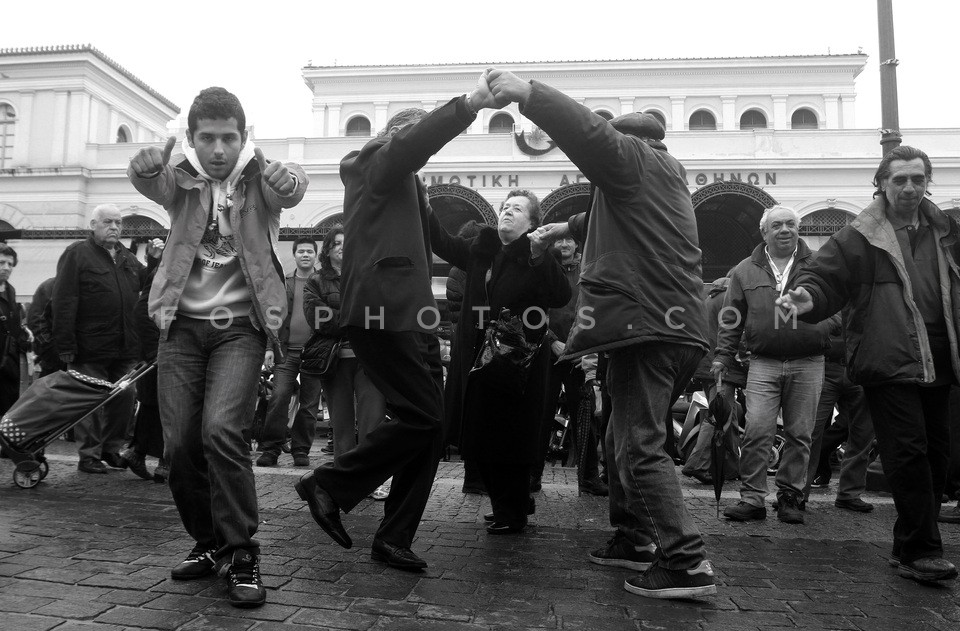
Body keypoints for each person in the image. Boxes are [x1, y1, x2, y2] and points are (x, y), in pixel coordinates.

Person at [487, 69, 716, 599]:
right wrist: (564, 228)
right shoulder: (663, 177)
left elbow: (589, 134)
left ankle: (685, 560)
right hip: (663, 325)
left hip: (646, 327)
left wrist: (528, 94)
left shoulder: (633, 158)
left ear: (628, 143)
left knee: (639, 444)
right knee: (620, 436)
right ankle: (635, 538)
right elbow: (606, 219)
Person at [293, 72, 502, 572]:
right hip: (380, 312)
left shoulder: (410, 188)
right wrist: (470, 103)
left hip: (414, 319)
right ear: (398, 139)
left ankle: (394, 536)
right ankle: (328, 483)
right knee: (424, 417)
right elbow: (411, 146)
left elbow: (451, 248)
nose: (422, 157)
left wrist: (500, 245)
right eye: (416, 144)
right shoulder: (373, 163)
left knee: (431, 428)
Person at [128, 86, 308, 608]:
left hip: (239, 331)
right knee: (180, 442)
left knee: (221, 431)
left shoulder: (259, 178)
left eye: (229, 137)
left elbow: (291, 190)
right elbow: (149, 180)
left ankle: (242, 550)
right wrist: (143, 166)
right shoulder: (180, 181)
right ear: (191, 139)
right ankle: (209, 543)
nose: (219, 149)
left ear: (243, 137)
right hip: (181, 330)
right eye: (207, 138)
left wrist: (288, 178)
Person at [777, 145, 959, 584]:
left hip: (941, 355)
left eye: (917, 179)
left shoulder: (947, 228)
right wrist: (807, 297)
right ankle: (921, 549)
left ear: (928, 182)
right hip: (888, 354)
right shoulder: (859, 234)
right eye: (900, 180)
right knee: (908, 453)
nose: (910, 188)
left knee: (939, 455)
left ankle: (907, 543)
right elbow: (821, 277)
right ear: (881, 183)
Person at [430, 189, 570, 534]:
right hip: (481, 360)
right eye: (505, 207)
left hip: (518, 362)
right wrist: (422, 204)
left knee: (513, 436)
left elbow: (560, 295)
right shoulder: (483, 251)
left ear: (533, 224)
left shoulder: (536, 255)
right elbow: (442, 242)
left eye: (517, 209)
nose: (507, 212)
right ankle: (510, 503)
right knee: (482, 434)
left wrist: (539, 255)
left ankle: (513, 510)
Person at [712, 205, 832, 525]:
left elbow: (837, 308)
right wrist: (723, 355)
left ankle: (790, 496)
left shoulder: (818, 265)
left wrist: (822, 329)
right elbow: (730, 317)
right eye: (776, 225)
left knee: (800, 434)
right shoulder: (744, 269)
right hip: (762, 362)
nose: (784, 230)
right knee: (756, 430)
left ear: (798, 229)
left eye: (790, 224)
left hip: (809, 361)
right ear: (764, 232)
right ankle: (752, 498)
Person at [52, 205, 159, 474]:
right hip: (88, 346)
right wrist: (65, 345)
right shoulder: (77, 253)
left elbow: (149, 284)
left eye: (119, 223)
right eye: (108, 222)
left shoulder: (126, 256)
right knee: (89, 402)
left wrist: (155, 261)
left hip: (124, 346)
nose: (115, 227)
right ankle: (88, 455)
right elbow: (64, 300)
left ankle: (111, 448)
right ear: (93, 225)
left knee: (124, 398)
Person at [302, 228, 388, 496]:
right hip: (334, 361)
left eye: (346, 243)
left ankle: (372, 480)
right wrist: (355, 319)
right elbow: (317, 318)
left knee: (371, 423)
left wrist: (347, 317)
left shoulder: (369, 276)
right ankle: (346, 480)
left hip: (369, 359)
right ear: (327, 250)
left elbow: (380, 315)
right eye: (336, 243)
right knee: (341, 425)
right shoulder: (315, 281)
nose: (342, 247)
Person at [531, 235, 606, 496]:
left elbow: (591, 311)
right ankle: (532, 476)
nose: (564, 244)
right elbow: (533, 311)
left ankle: (588, 477)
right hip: (547, 352)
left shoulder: (587, 270)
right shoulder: (544, 269)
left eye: (569, 240)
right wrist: (551, 341)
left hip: (578, 355)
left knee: (585, 419)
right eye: (559, 240)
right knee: (540, 417)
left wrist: (579, 348)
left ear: (577, 245)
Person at [256, 236, 324, 468]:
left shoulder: (323, 283)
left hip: (315, 353)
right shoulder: (284, 283)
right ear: (294, 255)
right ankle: (271, 449)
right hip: (286, 351)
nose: (305, 255)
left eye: (309, 252)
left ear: (316, 256)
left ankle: (300, 450)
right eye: (301, 251)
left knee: (309, 404)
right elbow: (273, 317)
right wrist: (268, 348)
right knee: (278, 397)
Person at [803, 325, 876, 513]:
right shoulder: (829, 296)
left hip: (861, 366)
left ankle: (849, 494)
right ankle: (796, 492)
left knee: (862, 434)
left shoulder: (870, 297)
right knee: (808, 431)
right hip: (826, 365)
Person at [444, 220, 486, 496]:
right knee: (472, 408)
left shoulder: (463, 271)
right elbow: (462, 310)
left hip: (470, 343)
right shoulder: (464, 272)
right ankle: (473, 476)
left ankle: (476, 475)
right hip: (471, 344)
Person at [0, 243, 29, 417]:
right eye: (2, 262)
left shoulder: (11, 291)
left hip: (8, 362)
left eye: (10, 264)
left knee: (7, 408)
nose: (6, 268)